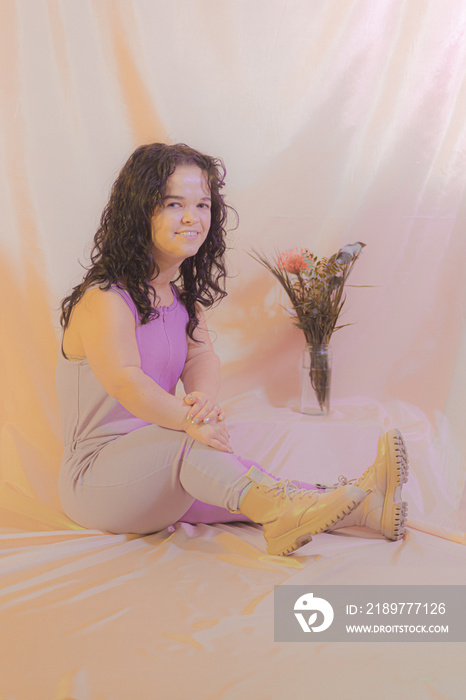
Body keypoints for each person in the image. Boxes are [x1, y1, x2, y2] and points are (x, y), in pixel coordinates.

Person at [56, 143, 409, 557]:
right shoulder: (105, 298)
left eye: (203, 205)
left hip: (160, 467)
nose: (192, 218)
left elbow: (202, 357)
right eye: (173, 203)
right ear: (140, 211)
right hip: (97, 481)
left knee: (241, 479)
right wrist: (190, 421)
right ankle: (284, 517)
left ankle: (366, 506)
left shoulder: (182, 300)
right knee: (197, 447)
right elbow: (125, 380)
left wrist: (201, 402)